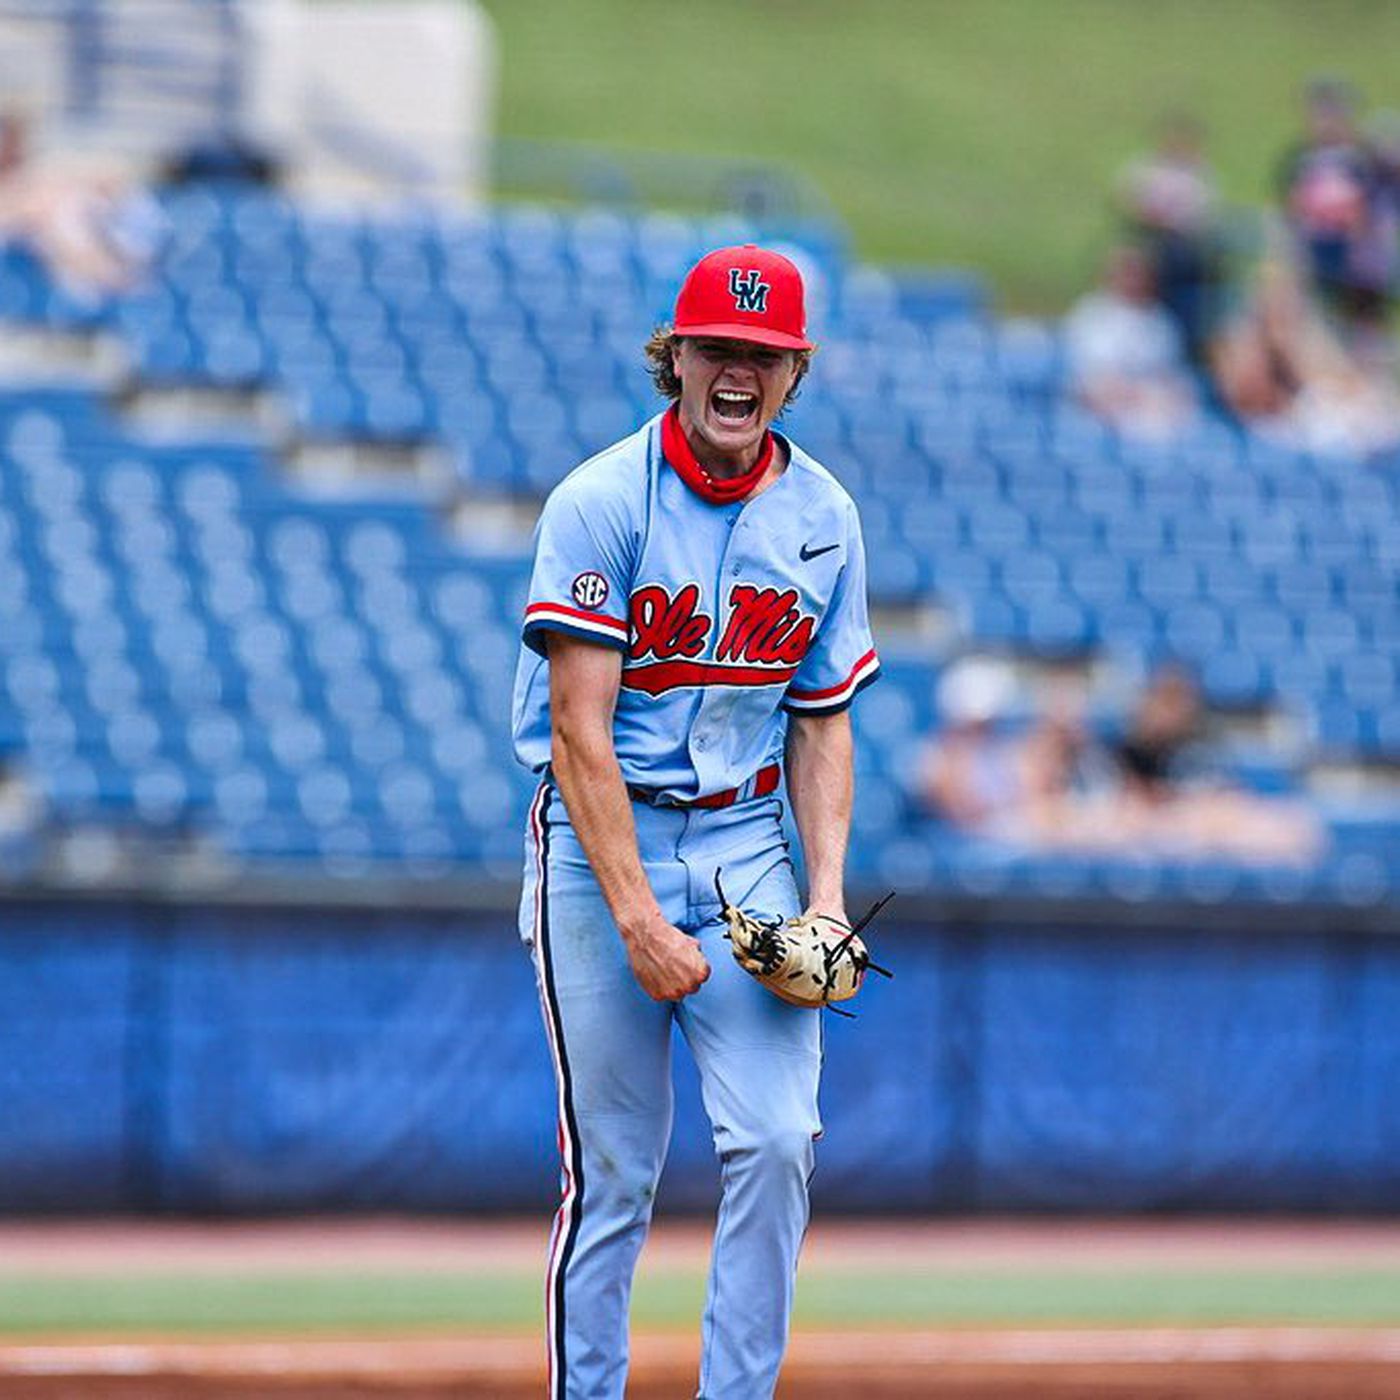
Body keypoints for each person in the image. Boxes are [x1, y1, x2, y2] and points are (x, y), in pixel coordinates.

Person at [511, 244, 879, 1399]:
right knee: (615, 1171)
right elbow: (579, 732)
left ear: (794, 372)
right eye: (718, 348)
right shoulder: (601, 500)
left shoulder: (822, 516)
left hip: (745, 847)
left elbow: (821, 721)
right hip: (595, 843)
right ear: (672, 359)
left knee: (775, 1140)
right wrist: (633, 915)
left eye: (762, 357)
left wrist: (822, 897)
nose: (737, 373)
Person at [1116, 113, 1223, 360]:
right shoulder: (1147, 169)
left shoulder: (1200, 176)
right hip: (1150, 242)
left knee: (1181, 260)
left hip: (1182, 251)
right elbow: (1130, 203)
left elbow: (1202, 219)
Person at [1063, 244, 1198, 439]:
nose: (1132, 280)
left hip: (1151, 410)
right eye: (1126, 272)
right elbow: (1091, 379)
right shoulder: (1092, 315)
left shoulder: (1161, 321)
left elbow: (1169, 376)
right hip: (1099, 410)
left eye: (1138, 273)